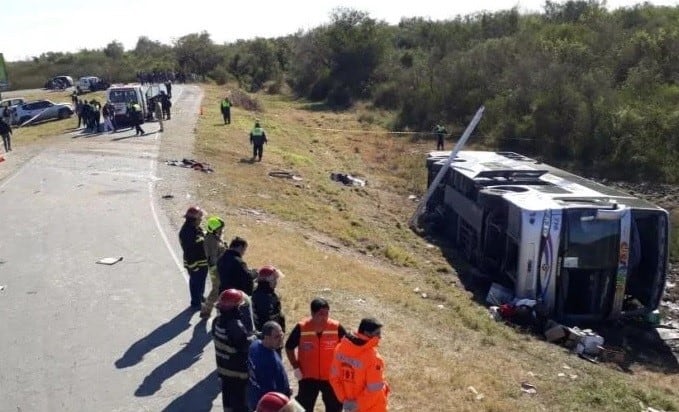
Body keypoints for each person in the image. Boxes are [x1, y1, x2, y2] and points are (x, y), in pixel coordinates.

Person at [285, 298, 346, 412]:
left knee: (335, 407)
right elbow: (289, 347)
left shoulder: (336, 327)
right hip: (307, 377)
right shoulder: (302, 327)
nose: (324, 317)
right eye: (320, 314)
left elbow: (348, 347)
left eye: (326, 313)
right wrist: (296, 367)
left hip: (331, 377)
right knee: (303, 407)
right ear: (312, 313)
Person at [329, 318, 390, 412]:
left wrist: (345, 400)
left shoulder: (340, 348)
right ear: (367, 333)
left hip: (349, 405)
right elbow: (374, 390)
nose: (380, 337)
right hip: (372, 407)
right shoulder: (373, 358)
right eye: (377, 333)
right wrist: (358, 404)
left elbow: (334, 377)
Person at [212, 289, 258, 412]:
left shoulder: (217, 321)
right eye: (239, 306)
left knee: (228, 407)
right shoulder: (235, 325)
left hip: (224, 374)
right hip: (238, 376)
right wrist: (255, 337)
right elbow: (245, 346)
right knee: (241, 407)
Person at [247, 321, 291, 410]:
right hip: (274, 405)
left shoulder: (256, 345)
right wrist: (286, 393)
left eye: (281, 334)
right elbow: (270, 393)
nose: (281, 339)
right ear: (266, 338)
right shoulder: (265, 362)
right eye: (277, 337)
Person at [178, 206, 208, 310]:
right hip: (195, 263)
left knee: (200, 281)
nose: (201, 220)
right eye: (200, 219)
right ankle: (196, 302)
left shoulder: (195, 228)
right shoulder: (187, 233)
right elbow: (189, 252)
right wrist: (194, 267)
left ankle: (199, 296)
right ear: (194, 219)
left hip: (202, 262)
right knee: (196, 282)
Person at [200, 216, 226, 319]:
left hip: (218, 268)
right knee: (216, 290)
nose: (222, 230)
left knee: (219, 290)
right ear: (214, 229)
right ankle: (206, 311)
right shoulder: (211, 240)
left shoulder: (215, 237)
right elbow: (213, 257)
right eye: (220, 228)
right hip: (216, 269)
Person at [252, 266, 286, 333]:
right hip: (269, 335)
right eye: (274, 280)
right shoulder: (264, 298)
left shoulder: (263, 292)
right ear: (268, 281)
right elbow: (266, 322)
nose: (276, 282)